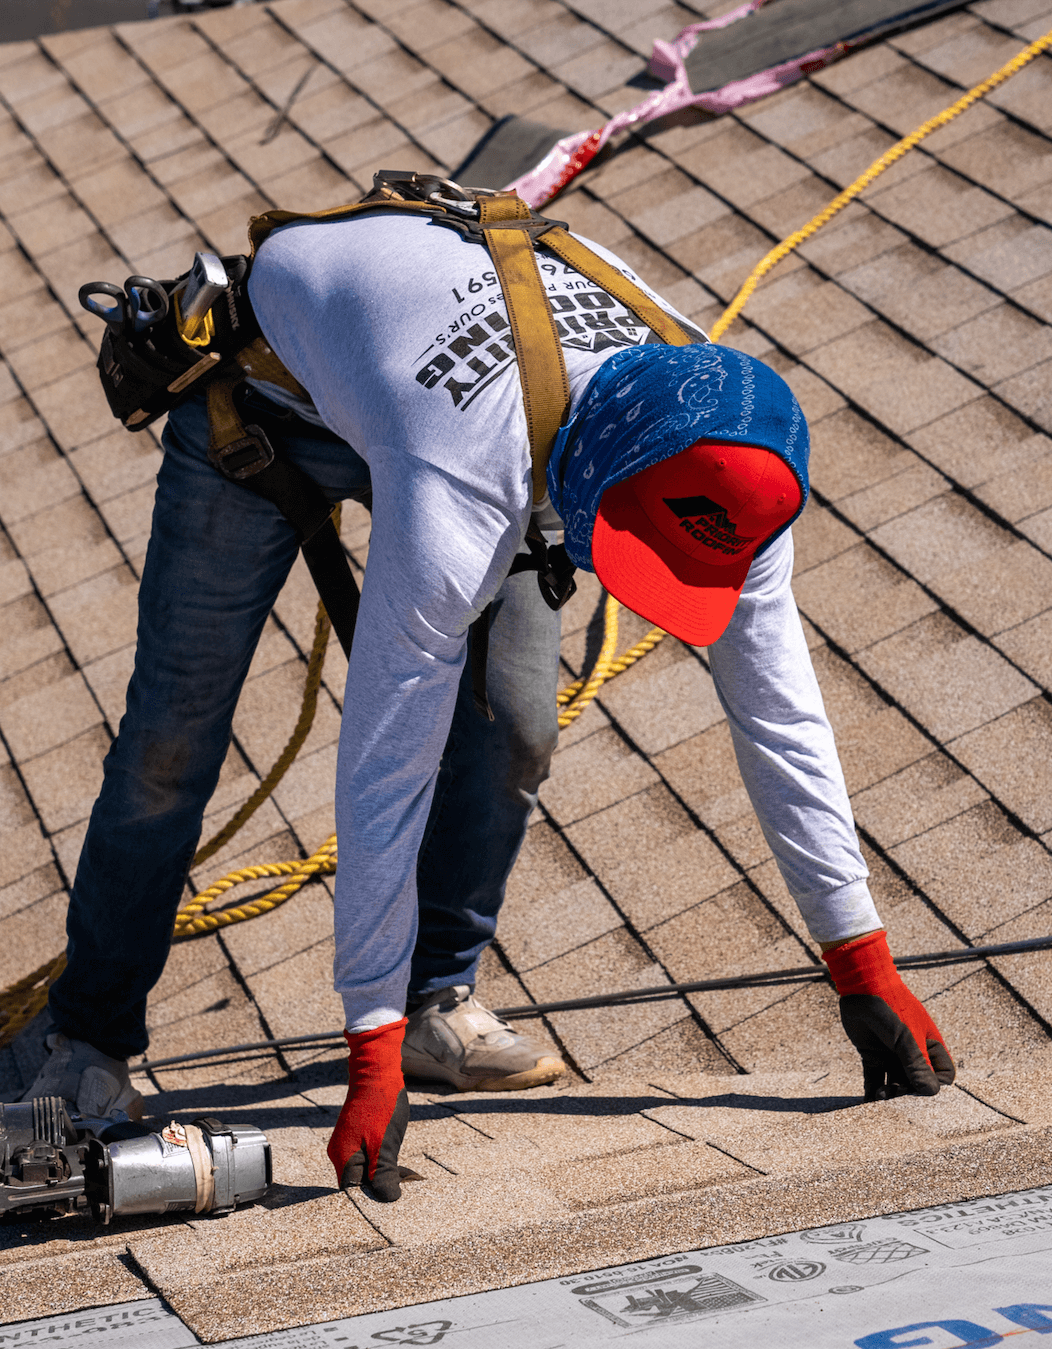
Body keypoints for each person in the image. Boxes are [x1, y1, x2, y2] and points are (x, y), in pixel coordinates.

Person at [28, 198, 954, 1195]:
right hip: (260, 402)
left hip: (481, 407)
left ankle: (436, 1001)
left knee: (514, 722)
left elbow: (779, 713)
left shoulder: (731, 446)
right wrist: (365, 1055)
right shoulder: (466, 469)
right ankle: (85, 1033)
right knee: (175, 742)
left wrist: (862, 964)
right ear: (594, 484)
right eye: (626, 552)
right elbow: (388, 754)